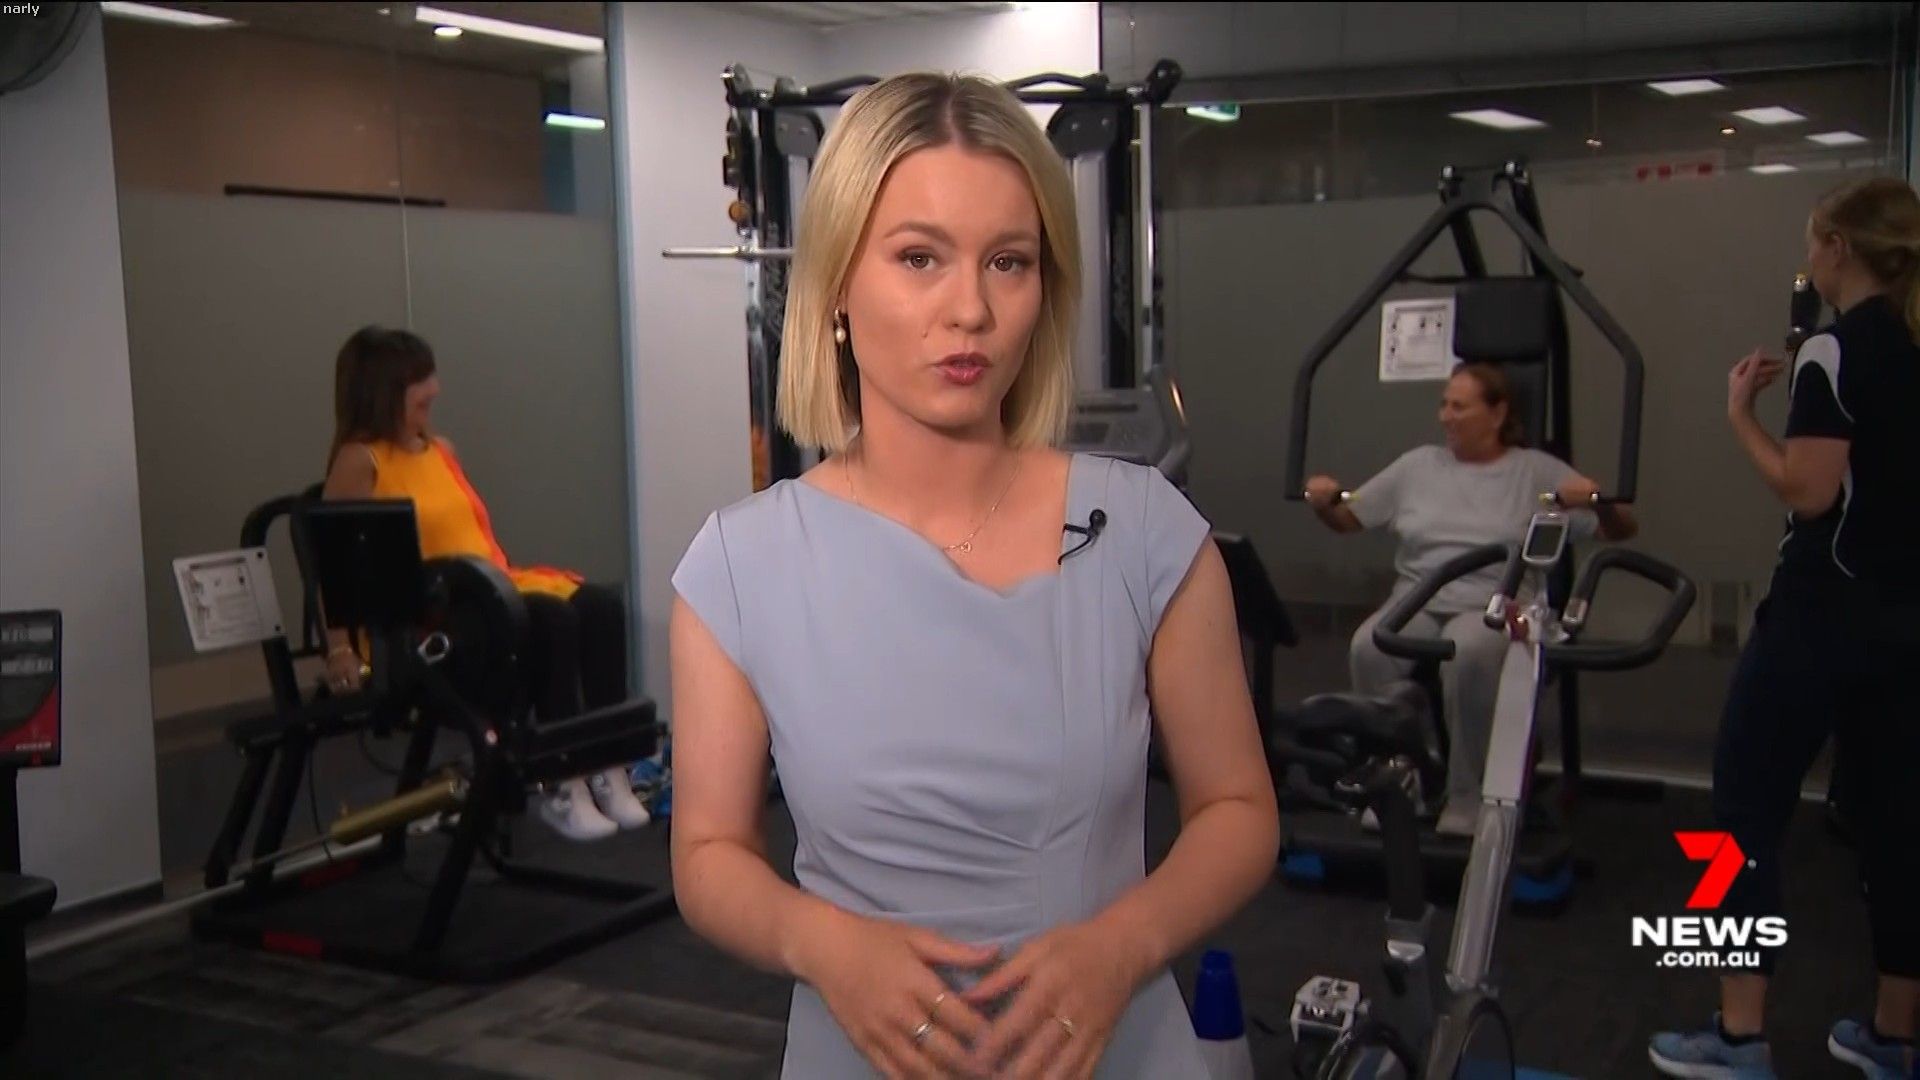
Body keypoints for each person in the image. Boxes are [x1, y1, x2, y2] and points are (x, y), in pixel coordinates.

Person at [668, 72, 1279, 1079]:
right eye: (920, 258)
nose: (971, 309)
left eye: (1009, 262)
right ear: (836, 285)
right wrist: (824, 945)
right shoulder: (739, 567)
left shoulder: (1143, 533)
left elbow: (1240, 812)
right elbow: (707, 855)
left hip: (1114, 1050)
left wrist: (1121, 945)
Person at [1650, 178, 1920, 1079]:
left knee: (1739, 812)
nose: (1809, 259)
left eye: (1814, 243)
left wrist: (1740, 416)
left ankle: (1739, 1036)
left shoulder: (1834, 351)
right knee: (1897, 823)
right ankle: (1895, 1037)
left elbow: (1808, 492)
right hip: (1906, 622)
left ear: (1839, 248)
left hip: (1819, 616)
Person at [319, 326, 653, 842]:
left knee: (601, 607)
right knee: (554, 619)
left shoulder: (439, 450)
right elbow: (334, 566)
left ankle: (604, 765)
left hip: (484, 594)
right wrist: (340, 649)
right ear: (385, 390)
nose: (433, 390)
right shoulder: (360, 462)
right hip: (430, 620)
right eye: (419, 382)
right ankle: (560, 781)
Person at [1304, 363, 1638, 835]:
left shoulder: (1533, 472)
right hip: (1417, 600)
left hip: (1492, 602)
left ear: (1497, 414)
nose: (1446, 416)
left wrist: (1597, 499)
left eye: (1459, 406)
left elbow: (1620, 529)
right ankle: (1399, 779)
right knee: (1369, 645)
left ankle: (1467, 795)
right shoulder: (1417, 466)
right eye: (1444, 404)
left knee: (1470, 652)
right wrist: (1324, 503)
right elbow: (1349, 518)